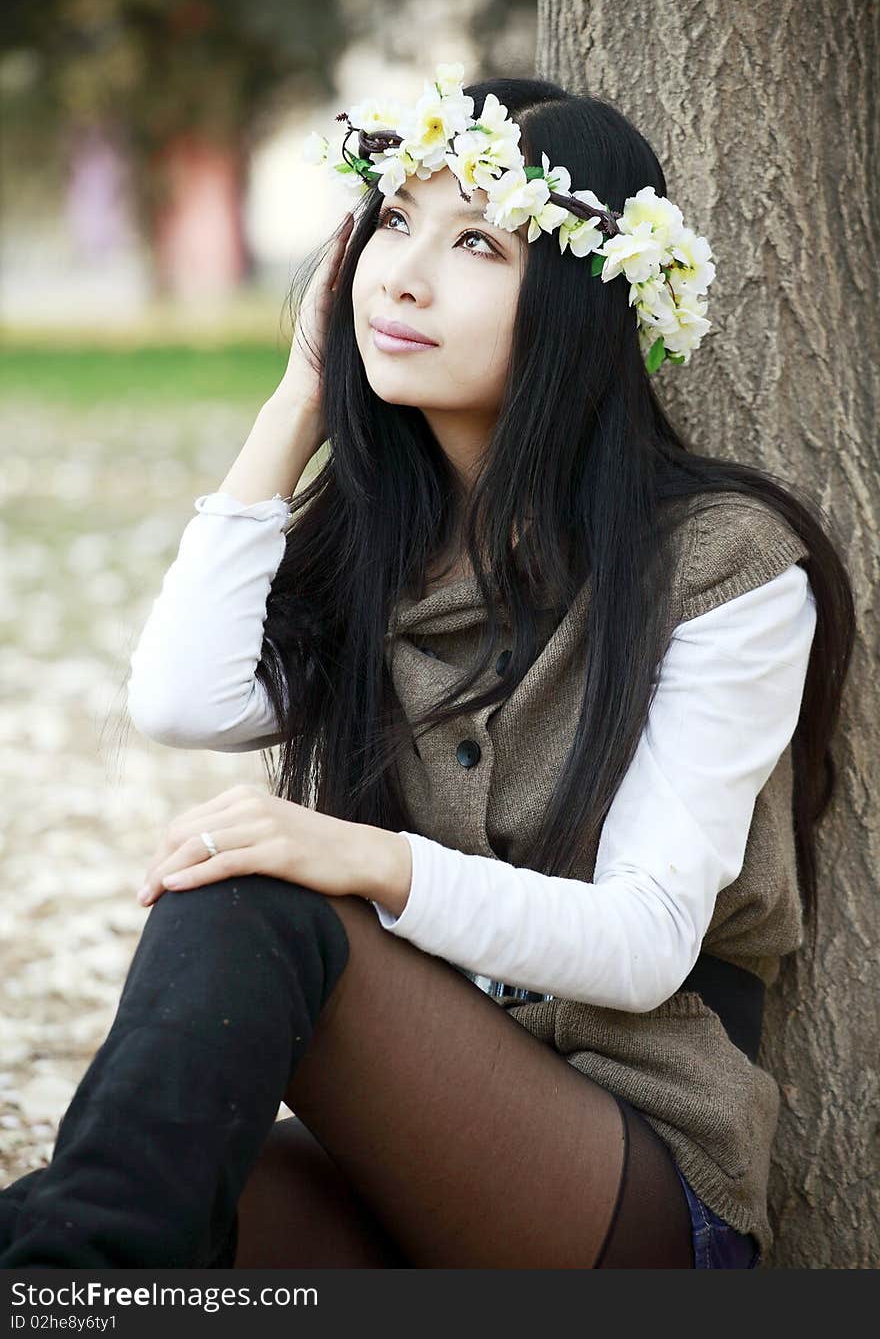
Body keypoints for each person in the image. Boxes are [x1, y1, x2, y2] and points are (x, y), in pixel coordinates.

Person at [0, 69, 855, 1270]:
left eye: (476, 244)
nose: (401, 272)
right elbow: (179, 699)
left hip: (635, 1193)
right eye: (392, 221)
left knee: (256, 890)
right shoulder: (377, 546)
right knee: (90, 1226)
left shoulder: (722, 566)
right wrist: (301, 388)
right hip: (401, 1160)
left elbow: (647, 937)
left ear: (575, 300)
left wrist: (362, 858)